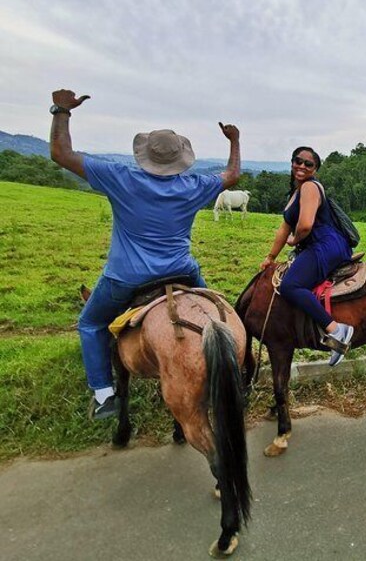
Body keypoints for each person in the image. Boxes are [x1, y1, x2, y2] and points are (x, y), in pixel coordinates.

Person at [49, 88, 241, 420]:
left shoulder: (120, 177)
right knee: (217, 316)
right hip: (184, 271)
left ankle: (104, 394)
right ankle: (240, 369)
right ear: (181, 157)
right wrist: (234, 140)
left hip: (126, 277)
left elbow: (61, 154)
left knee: (90, 322)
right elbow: (232, 175)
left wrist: (61, 110)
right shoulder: (193, 185)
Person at [260, 147, 355, 366]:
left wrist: (295, 241)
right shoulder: (295, 192)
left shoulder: (310, 188)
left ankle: (337, 330)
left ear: (315, 169)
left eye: (308, 164)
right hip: (320, 245)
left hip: (325, 244)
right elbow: (284, 228)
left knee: (291, 286)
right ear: (292, 162)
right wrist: (270, 256)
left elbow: (304, 225)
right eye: (298, 161)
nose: (301, 166)